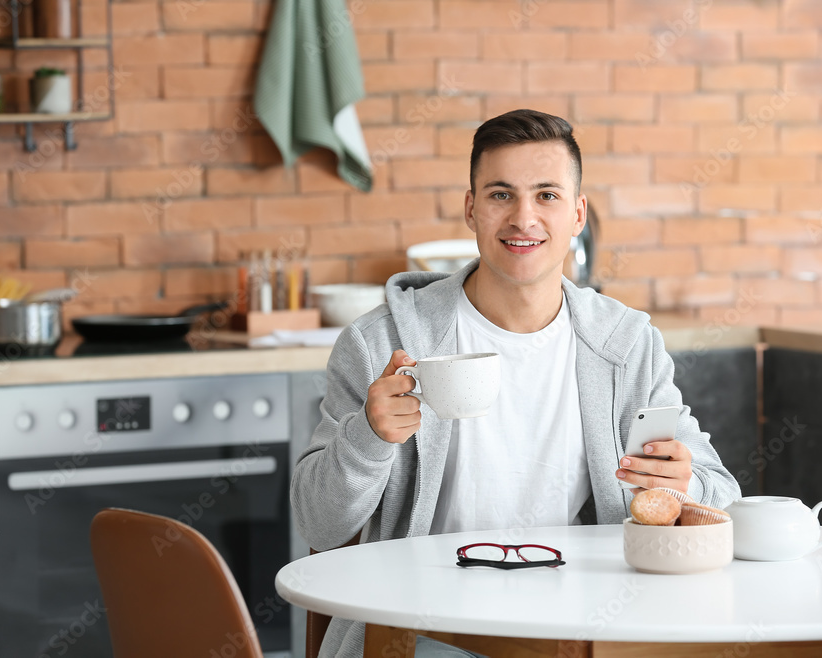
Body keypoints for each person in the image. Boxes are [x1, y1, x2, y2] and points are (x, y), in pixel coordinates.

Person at [292, 109, 741, 657]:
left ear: (577, 215)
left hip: (580, 626)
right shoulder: (380, 345)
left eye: (547, 195)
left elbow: (722, 494)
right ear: (471, 209)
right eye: (501, 195)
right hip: (421, 627)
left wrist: (682, 483)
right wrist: (368, 437)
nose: (523, 218)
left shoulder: (625, 345)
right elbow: (317, 521)